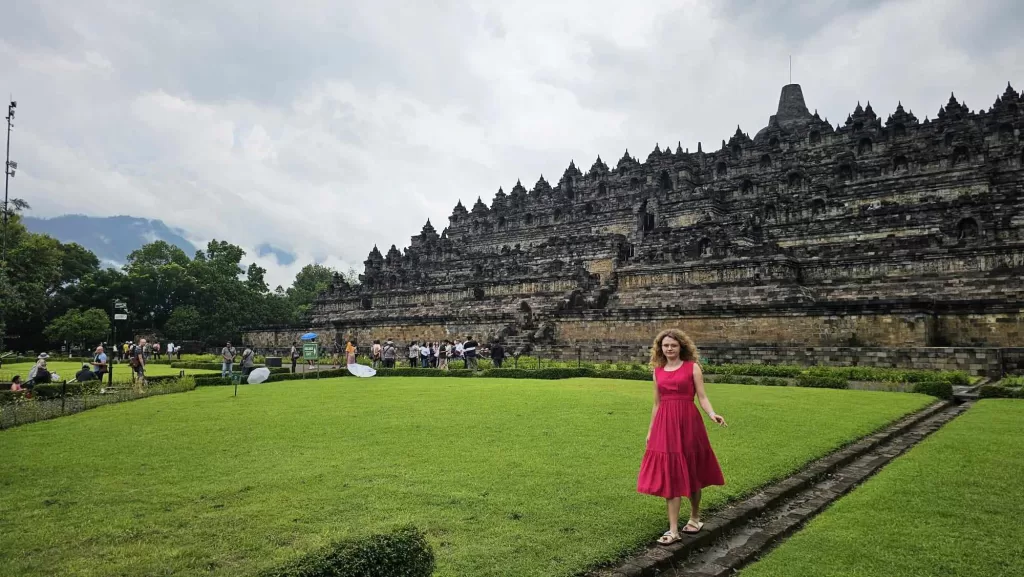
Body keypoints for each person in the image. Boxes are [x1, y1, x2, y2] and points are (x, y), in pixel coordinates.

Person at [638, 329, 727, 545]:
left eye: (673, 345)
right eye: (665, 345)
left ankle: (695, 517)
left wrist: (712, 413)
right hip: (664, 425)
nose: (669, 349)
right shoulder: (657, 371)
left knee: (692, 470)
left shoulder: (692, 367)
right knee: (670, 473)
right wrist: (651, 430)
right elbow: (657, 404)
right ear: (660, 348)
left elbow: (702, 397)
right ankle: (673, 530)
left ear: (681, 347)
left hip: (689, 422)